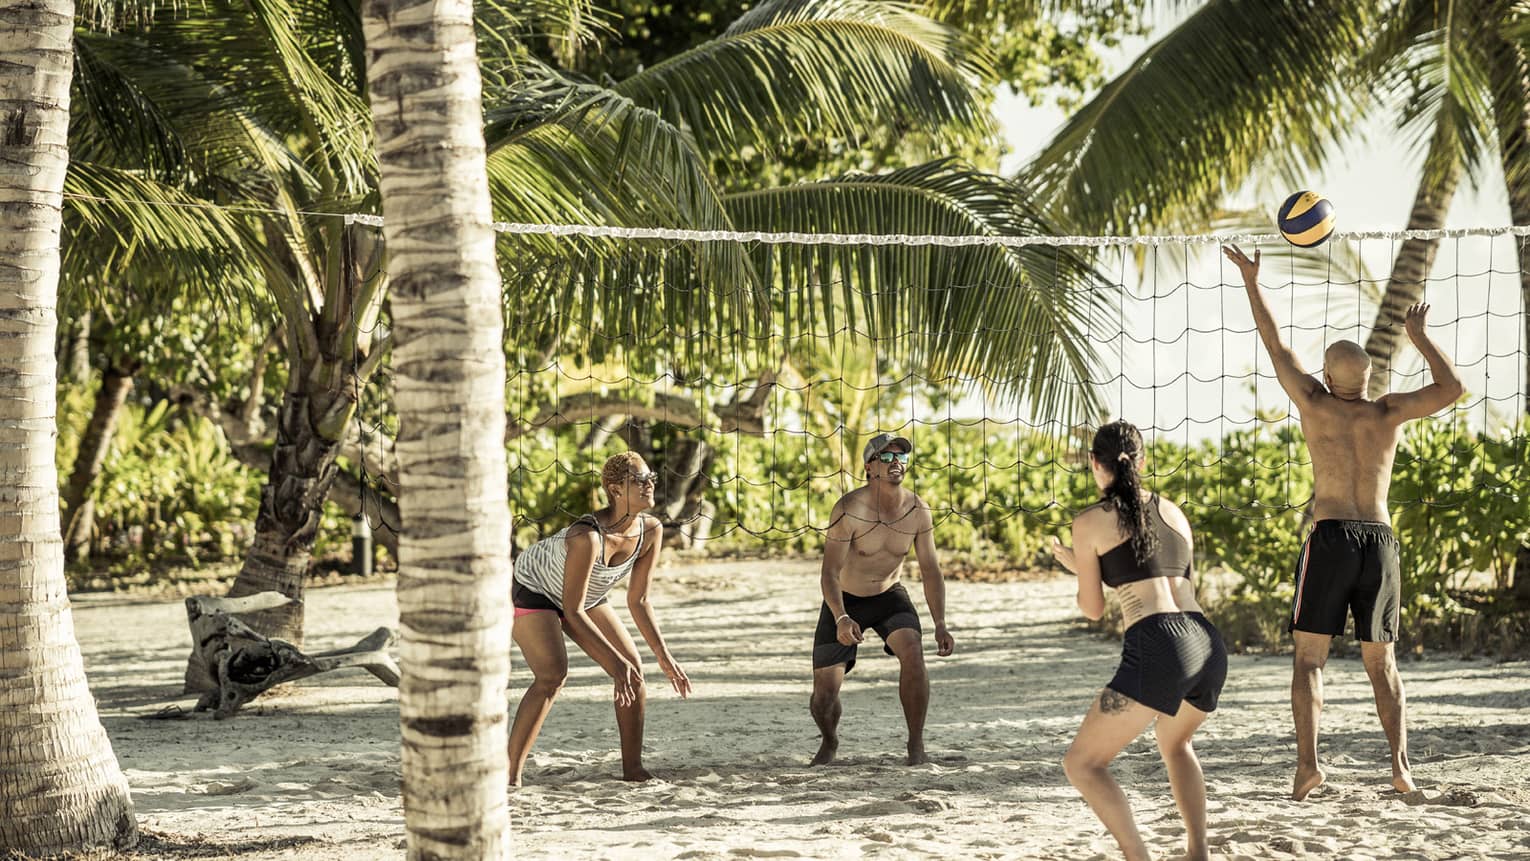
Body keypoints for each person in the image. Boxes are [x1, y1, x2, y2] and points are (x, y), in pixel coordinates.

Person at [1224, 244, 1463, 800]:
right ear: (1371, 375)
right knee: (1383, 663)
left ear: (1327, 374)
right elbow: (1451, 389)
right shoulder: (1389, 411)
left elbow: (1274, 342)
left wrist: (1253, 280)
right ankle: (1401, 770)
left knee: (1310, 659)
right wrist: (1421, 338)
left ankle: (1308, 766)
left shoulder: (1315, 402)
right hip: (1379, 541)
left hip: (1331, 536)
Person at [1051, 420, 1227, 861]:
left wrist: (1081, 569)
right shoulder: (1174, 512)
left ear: (1095, 464)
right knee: (1176, 743)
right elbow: (1159, 573)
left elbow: (1093, 608)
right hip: (1206, 642)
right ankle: (1197, 852)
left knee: (1082, 764)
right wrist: (1090, 565)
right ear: (1142, 461)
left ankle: (1138, 858)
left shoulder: (1090, 520)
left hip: (1160, 642)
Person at [507, 451, 692, 786]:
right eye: (639, 480)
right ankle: (510, 775)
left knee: (633, 673)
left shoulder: (651, 529)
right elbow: (571, 612)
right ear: (615, 490)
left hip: (585, 595)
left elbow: (639, 600)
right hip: (534, 588)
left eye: (651, 478)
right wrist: (614, 662)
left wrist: (664, 657)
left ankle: (633, 769)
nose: (649, 485)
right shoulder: (587, 536)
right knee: (552, 675)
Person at [809, 432, 955, 767]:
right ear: (869, 468)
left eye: (901, 457)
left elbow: (931, 569)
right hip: (846, 601)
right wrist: (841, 616)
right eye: (886, 458)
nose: (895, 464)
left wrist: (941, 623)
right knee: (823, 698)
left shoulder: (917, 510)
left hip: (890, 595)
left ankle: (916, 745)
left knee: (914, 653)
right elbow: (829, 573)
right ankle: (830, 741)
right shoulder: (849, 509)